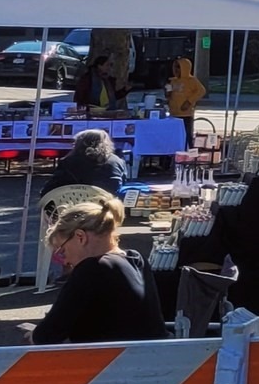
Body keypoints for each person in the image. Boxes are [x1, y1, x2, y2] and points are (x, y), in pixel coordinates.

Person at [30, 196, 168, 345]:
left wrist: (31, 334)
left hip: (114, 362)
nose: (65, 261)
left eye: (62, 251)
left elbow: (46, 336)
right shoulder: (136, 259)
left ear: (80, 237)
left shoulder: (92, 268)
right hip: (156, 356)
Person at [45, 129, 126, 196]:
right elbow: (122, 183)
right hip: (107, 206)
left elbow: (51, 187)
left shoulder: (67, 161)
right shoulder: (117, 161)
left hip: (72, 204)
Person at [164, 58, 206, 148]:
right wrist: (167, 92)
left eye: (178, 67)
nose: (176, 70)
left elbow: (201, 91)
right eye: (175, 67)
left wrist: (189, 101)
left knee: (186, 136)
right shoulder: (173, 81)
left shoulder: (192, 80)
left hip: (185, 114)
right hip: (173, 113)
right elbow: (168, 95)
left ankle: (189, 154)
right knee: (175, 136)